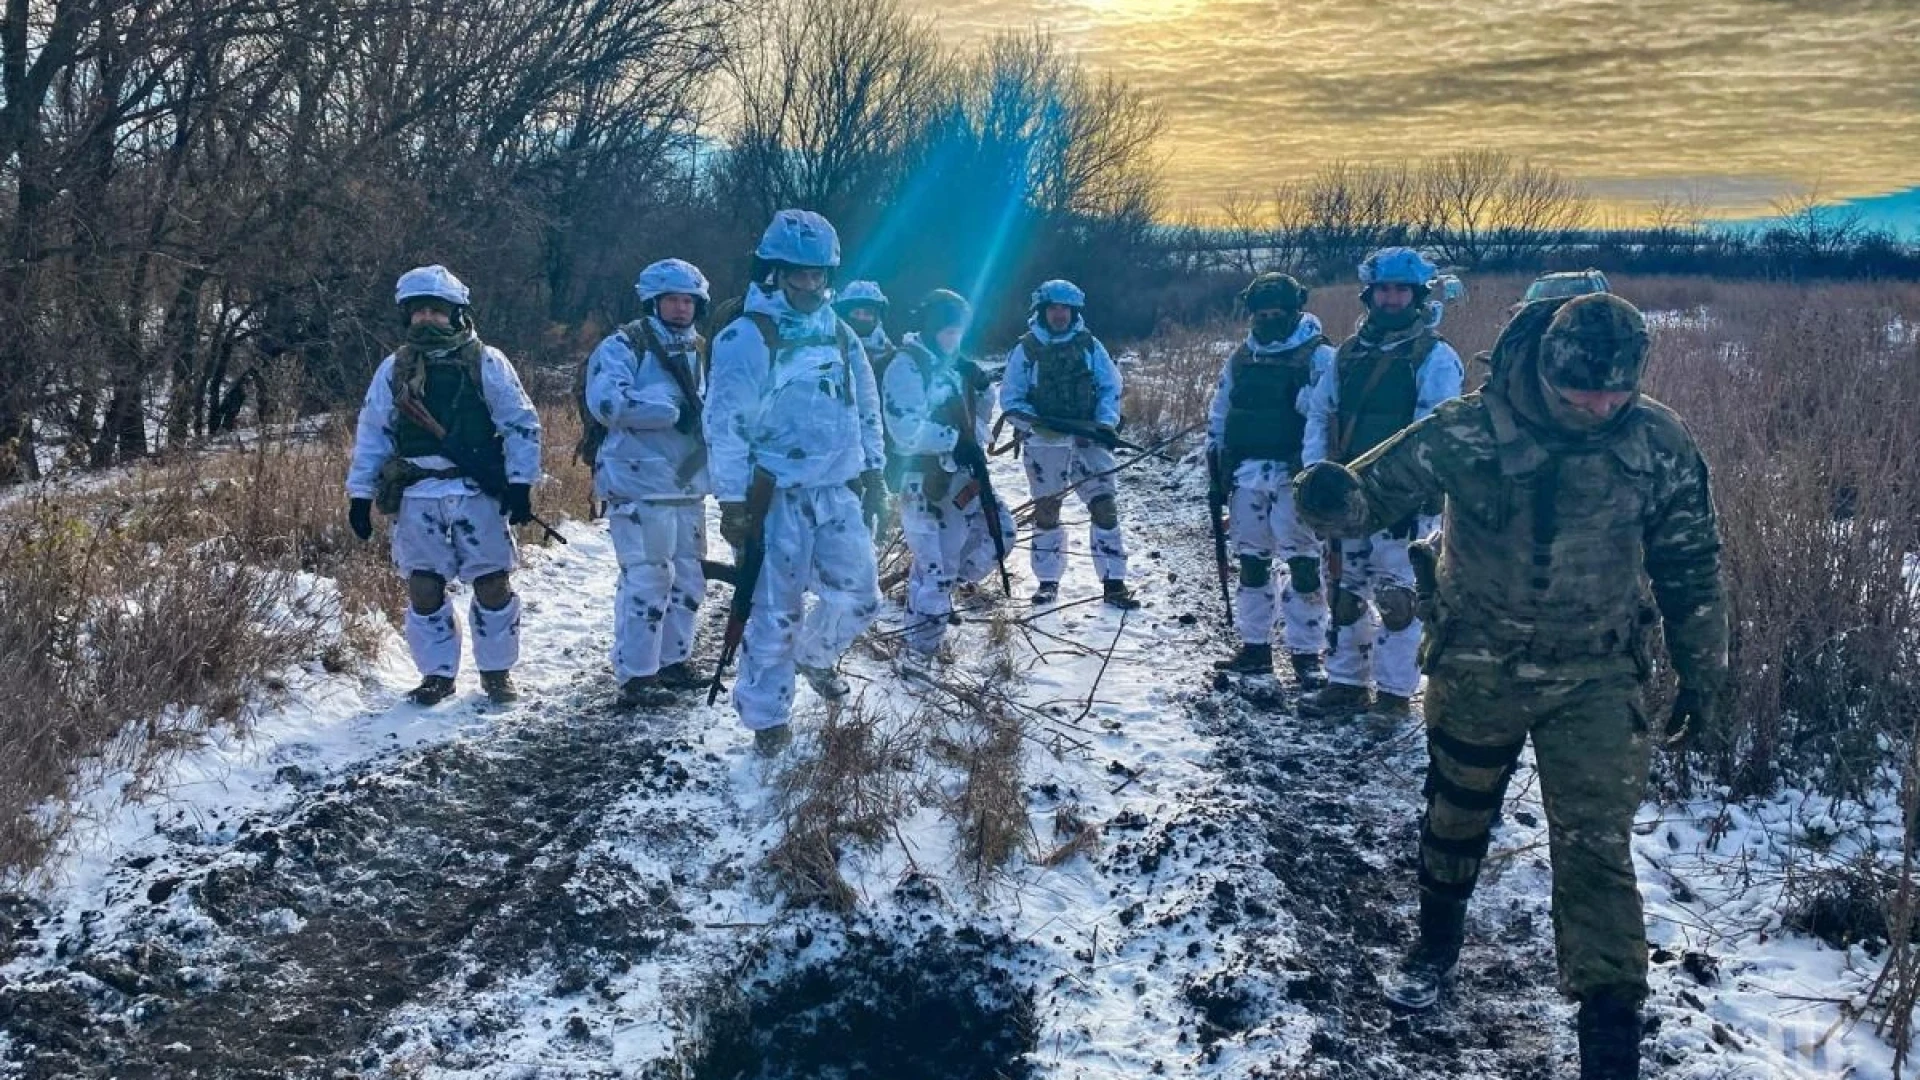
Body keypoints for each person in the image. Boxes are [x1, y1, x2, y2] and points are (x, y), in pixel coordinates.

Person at [1295, 293, 1728, 1079]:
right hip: (1478, 665)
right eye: (1581, 393)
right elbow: (1371, 494)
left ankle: (1609, 1038)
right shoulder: (1470, 429)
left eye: (1616, 393)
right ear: (1546, 370)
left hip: (1597, 674)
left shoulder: (1658, 443)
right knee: (1456, 815)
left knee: (1597, 849)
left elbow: (1692, 564)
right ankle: (1435, 943)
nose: (1600, 408)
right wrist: (1327, 498)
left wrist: (1705, 672)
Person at [704, 209, 887, 755]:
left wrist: (875, 471)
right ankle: (766, 719)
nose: (810, 285)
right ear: (773, 272)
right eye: (798, 274)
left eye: (818, 275)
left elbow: (867, 407)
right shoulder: (747, 336)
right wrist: (733, 502)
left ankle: (816, 655)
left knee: (861, 597)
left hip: (836, 491)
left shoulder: (840, 333)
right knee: (773, 613)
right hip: (773, 495)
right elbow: (726, 424)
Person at [346, 265, 542, 706]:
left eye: (436, 310)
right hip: (417, 493)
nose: (427, 319)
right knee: (424, 586)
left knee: (492, 582)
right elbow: (373, 432)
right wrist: (359, 496)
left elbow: (521, 424)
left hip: (476, 491)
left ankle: (496, 671)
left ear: (456, 314)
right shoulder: (393, 370)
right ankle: (437, 674)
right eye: (418, 311)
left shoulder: (486, 361)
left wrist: (520, 484)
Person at [1300, 247, 1463, 721]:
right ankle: (1347, 682)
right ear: (1369, 296)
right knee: (1347, 593)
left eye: (1401, 290)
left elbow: (1429, 432)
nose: (1392, 299)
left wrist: (1397, 493)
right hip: (1345, 501)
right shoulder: (1347, 355)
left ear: (1416, 295)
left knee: (1398, 600)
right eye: (1384, 290)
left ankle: (1393, 695)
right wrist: (1316, 477)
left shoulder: (1435, 357)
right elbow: (1321, 413)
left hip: (1403, 504)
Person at [582, 258, 713, 710]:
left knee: (689, 580)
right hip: (637, 482)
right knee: (648, 580)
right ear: (654, 302)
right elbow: (606, 403)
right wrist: (665, 411)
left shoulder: (698, 349)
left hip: (685, 482)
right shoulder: (625, 345)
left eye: (688, 301)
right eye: (673, 300)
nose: (681, 308)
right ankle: (638, 676)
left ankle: (674, 662)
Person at [1206, 272, 1334, 687]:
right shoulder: (1242, 358)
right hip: (1247, 474)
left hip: (1294, 473)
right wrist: (1217, 460)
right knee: (1251, 562)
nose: (1269, 320)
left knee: (1302, 562)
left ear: (1295, 310)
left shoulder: (1318, 356)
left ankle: (1307, 654)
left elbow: (1328, 413)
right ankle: (1255, 647)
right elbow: (1222, 411)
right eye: (1262, 313)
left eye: (1278, 313)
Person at [880, 288, 1013, 663]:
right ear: (928, 327)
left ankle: (929, 612)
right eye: (946, 331)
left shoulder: (953, 367)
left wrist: (982, 386)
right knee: (935, 572)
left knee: (998, 536)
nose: (952, 339)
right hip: (924, 486)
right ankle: (920, 653)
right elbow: (905, 432)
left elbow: (979, 420)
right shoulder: (906, 366)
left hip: (961, 482)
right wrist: (954, 442)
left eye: (958, 332)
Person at [999, 278, 1138, 610]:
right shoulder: (1027, 349)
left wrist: (1104, 424)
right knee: (1047, 512)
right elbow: (1011, 398)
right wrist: (1036, 426)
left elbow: (1110, 388)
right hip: (1045, 444)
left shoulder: (1091, 346)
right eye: (1053, 308)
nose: (1059, 315)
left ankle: (1114, 582)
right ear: (1043, 311)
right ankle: (1047, 582)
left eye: (1064, 308)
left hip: (1089, 439)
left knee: (1105, 508)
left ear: (1073, 312)